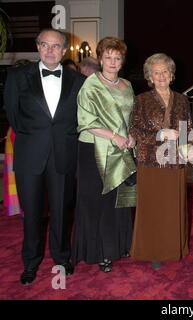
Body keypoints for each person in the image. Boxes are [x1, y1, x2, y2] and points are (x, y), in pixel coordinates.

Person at [3, 28, 85, 285]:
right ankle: (30, 262)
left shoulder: (78, 81)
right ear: (38, 47)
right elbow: (13, 117)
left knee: (61, 211)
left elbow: (80, 119)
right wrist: (34, 138)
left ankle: (61, 258)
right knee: (32, 214)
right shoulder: (17, 77)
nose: (50, 51)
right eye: (45, 45)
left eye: (56, 46)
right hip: (30, 154)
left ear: (64, 50)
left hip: (63, 153)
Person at [72, 37, 136, 273]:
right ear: (100, 59)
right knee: (97, 202)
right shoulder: (91, 84)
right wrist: (113, 136)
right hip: (94, 150)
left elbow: (131, 119)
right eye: (108, 57)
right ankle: (101, 251)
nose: (112, 61)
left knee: (119, 200)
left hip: (121, 151)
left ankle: (120, 245)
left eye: (117, 58)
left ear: (122, 61)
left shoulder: (127, 85)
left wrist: (132, 137)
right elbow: (85, 122)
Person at [129, 53, 192, 270]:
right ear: (149, 76)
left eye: (165, 71)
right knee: (153, 208)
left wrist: (189, 150)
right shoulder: (141, 100)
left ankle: (174, 247)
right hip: (151, 162)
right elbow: (134, 130)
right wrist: (160, 134)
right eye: (156, 72)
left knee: (173, 207)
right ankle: (154, 251)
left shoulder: (183, 100)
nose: (161, 76)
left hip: (175, 160)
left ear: (171, 74)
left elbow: (188, 130)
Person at [3, 59, 31, 217]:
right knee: (18, 171)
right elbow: (11, 110)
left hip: (18, 132)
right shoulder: (16, 85)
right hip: (18, 132)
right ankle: (23, 208)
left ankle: (24, 208)